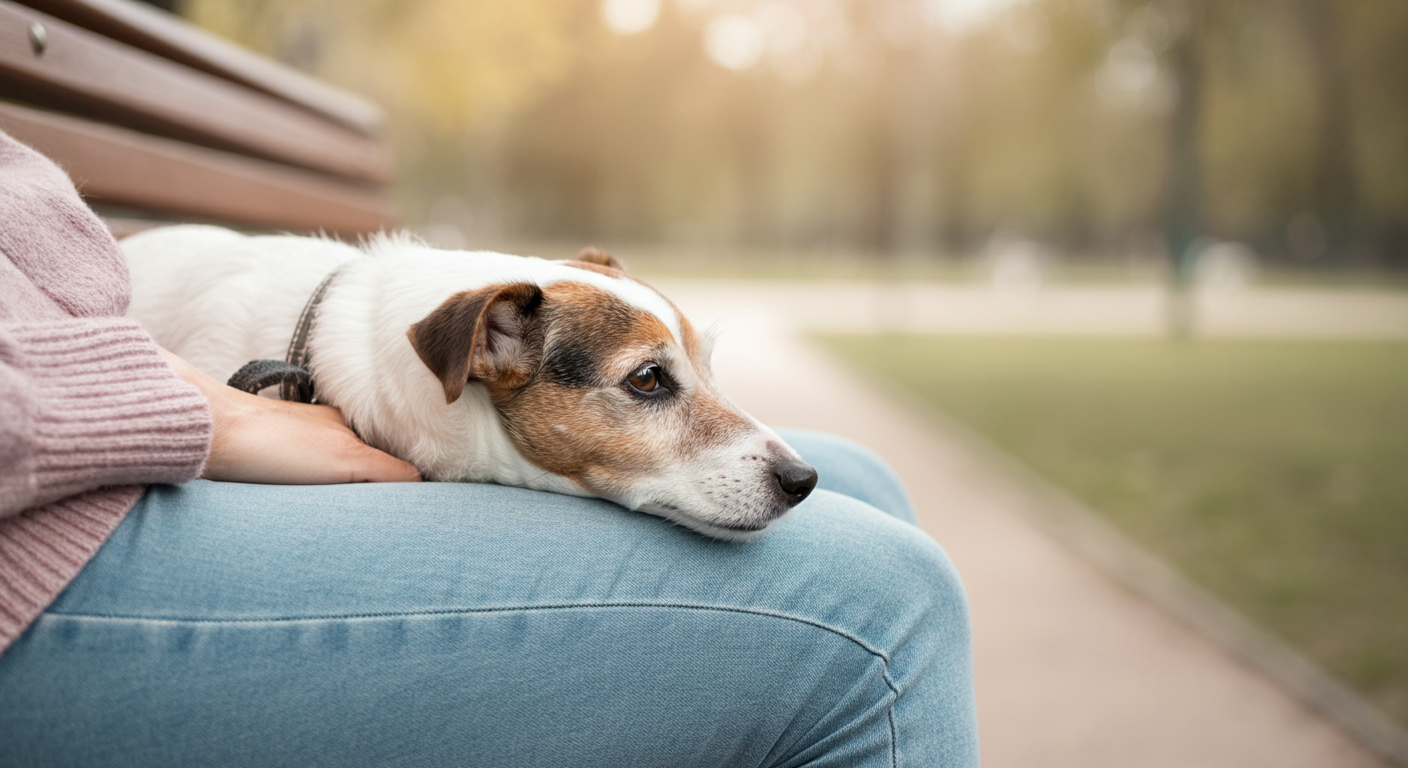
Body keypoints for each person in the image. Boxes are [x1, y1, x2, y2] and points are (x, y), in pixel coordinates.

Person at [0, 130, 978, 767]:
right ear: (489, 344)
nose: (747, 435)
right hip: (50, 546)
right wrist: (225, 416)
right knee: (887, 601)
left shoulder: (377, 333)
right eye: (651, 385)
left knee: (857, 478)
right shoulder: (264, 330)